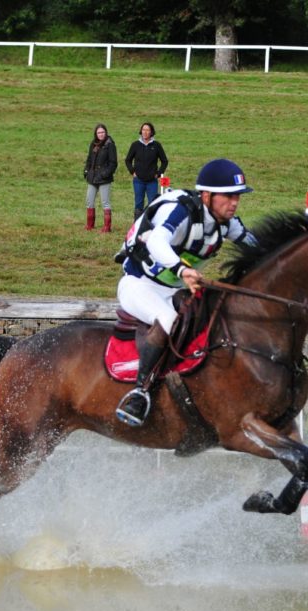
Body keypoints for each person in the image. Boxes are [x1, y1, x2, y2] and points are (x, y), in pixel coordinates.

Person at [114, 158, 258, 427]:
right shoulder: (181, 211)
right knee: (169, 320)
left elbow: (255, 245)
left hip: (175, 290)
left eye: (237, 196)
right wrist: (181, 270)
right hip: (139, 284)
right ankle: (140, 392)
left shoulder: (227, 223)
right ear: (207, 195)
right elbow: (157, 241)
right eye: (228, 196)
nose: (235, 202)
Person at [124, 122, 169, 221]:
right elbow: (128, 160)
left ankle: (150, 224)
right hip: (138, 180)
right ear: (141, 131)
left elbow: (164, 161)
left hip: (152, 181)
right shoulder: (135, 145)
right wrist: (132, 172)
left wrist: (158, 173)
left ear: (151, 132)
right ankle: (137, 226)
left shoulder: (156, 145)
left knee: (153, 203)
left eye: (147, 130)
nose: (145, 132)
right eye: (143, 130)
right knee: (139, 204)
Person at [83, 123, 118, 233]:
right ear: (96, 134)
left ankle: (107, 227)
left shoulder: (110, 145)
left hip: (104, 179)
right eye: (99, 133)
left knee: (105, 202)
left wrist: (105, 174)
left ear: (106, 133)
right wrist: (86, 172)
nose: (101, 134)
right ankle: (90, 225)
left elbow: (113, 163)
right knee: (89, 201)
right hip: (92, 177)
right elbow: (89, 159)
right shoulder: (93, 144)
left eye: (102, 132)